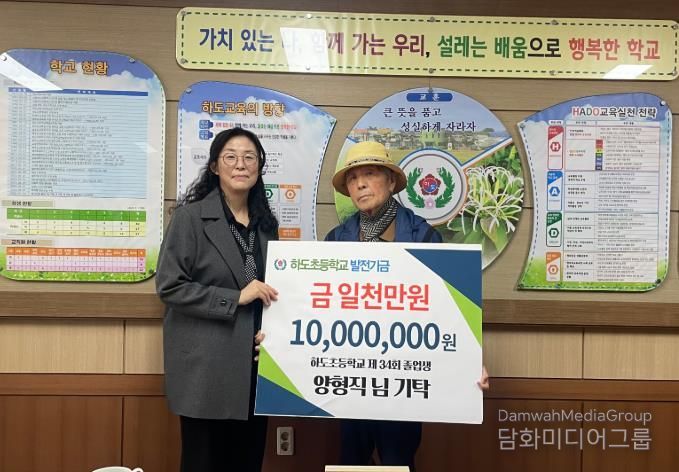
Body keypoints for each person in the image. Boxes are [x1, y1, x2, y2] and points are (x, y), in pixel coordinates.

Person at [326, 141, 490, 471]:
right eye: (353, 178)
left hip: (403, 372)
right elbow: (319, 307)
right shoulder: (336, 240)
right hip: (351, 370)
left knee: (398, 460)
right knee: (351, 460)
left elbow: (446, 308)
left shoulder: (423, 237)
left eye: (370, 174)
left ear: (390, 181)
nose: (360, 184)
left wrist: (471, 359)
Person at [156, 127, 279, 472]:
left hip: (254, 367)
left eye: (249, 157)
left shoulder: (266, 225)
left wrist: (274, 333)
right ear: (214, 166)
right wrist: (235, 298)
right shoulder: (190, 218)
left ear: (259, 167)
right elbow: (169, 286)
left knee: (247, 461)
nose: (240, 164)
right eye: (230, 157)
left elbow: (272, 292)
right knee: (204, 463)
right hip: (206, 369)